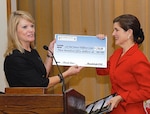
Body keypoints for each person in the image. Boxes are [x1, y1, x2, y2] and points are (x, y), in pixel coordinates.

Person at [4, 10, 83, 88]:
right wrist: (67, 73)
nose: (31, 30)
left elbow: (43, 75)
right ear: (15, 31)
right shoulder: (15, 58)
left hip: (38, 99)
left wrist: (50, 54)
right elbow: (41, 84)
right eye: (25, 27)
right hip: (23, 100)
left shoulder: (32, 52)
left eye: (32, 26)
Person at [96, 14, 150, 114]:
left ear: (129, 33)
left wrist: (122, 97)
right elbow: (102, 70)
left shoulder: (138, 59)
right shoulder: (117, 54)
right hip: (115, 110)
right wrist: (98, 46)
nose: (113, 34)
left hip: (131, 111)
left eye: (116, 30)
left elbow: (148, 91)